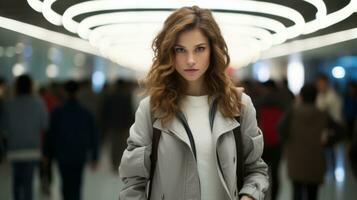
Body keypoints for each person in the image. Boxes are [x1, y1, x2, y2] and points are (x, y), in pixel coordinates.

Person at [119, 6, 269, 200]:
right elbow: (133, 182)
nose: (190, 60)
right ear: (169, 53)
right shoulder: (152, 108)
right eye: (180, 50)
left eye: (199, 49)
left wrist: (249, 196)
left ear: (212, 51)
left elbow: (256, 169)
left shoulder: (239, 105)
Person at [44, 80, 99, 200]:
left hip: (62, 154)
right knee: (77, 184)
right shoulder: (86, 113)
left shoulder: (57, 112)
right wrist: (94, 157)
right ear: (78, 92)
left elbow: (50, 134)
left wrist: (47, 154)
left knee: (65, 184)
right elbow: (93, 135)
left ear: (64, 91)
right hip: (79, 154)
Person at [1, 74, 48, 200]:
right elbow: (45, 124)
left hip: (14, 149)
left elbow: (4, 128)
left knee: (16, 182)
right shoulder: (39, 104)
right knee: (28, 183)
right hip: (32, 149)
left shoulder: (9, 105)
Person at [278, 84, 328, 200]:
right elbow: (340, 130)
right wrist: (327, 141)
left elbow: (280, 128)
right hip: (315, 159)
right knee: (313, 193)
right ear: (316, 97)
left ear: (301, 96)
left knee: (297, 191)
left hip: (296, 158)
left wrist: (287, 141)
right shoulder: (322, 114)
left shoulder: (292, 112)